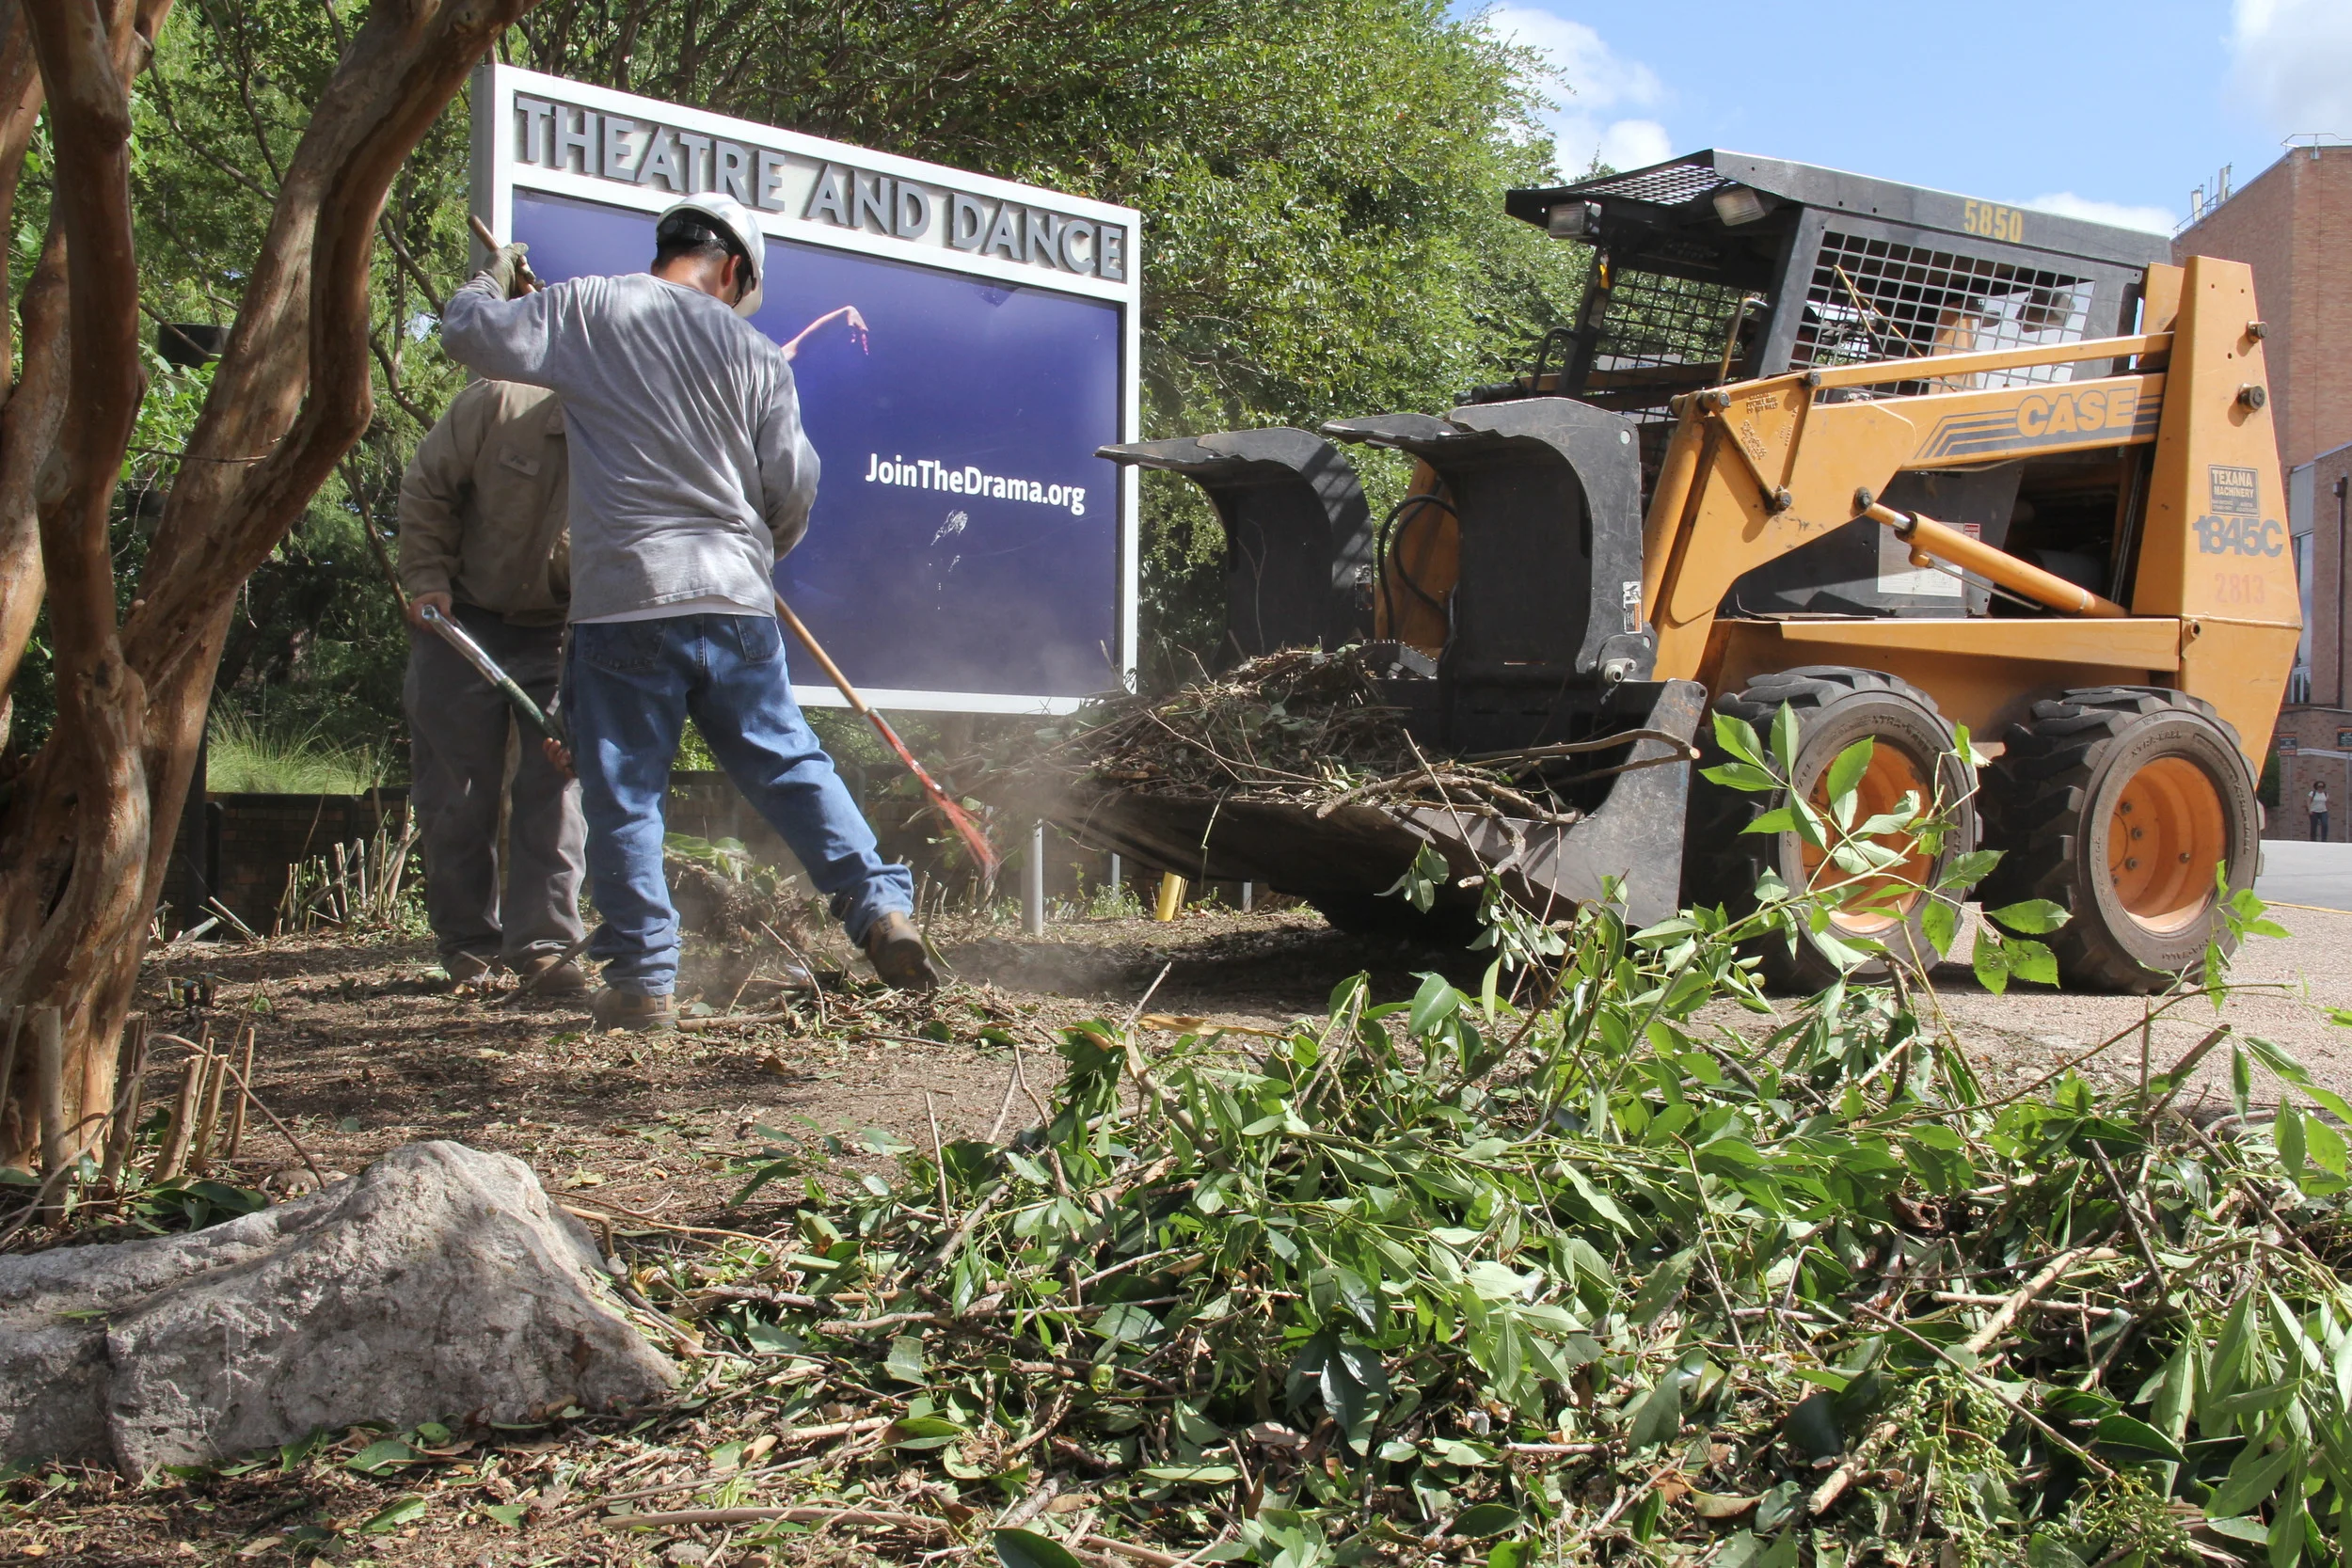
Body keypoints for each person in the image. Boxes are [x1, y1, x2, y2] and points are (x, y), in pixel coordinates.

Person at [439, 195, 935, 1033]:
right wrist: (753, 552)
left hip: (626, 599)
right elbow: (794, 484)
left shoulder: (591, 306)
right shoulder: (753, 352)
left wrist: (487, 286)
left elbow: (469, 338)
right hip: (735, 597)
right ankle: (880, 909)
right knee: (790, 763)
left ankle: (641, 980)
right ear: (734, 269)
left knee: (626, 791)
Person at [398, 378, 588, 993]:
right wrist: (426, 576)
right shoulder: (500, 403)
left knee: (556, 783)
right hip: (461, 615)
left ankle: (545, 946)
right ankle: (468, 948)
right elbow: (427, 486)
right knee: (455, 791)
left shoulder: (639, 440)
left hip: (561, 629)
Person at [2312, 780, 2330, 844]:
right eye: (2319, 786)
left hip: (2323, 811)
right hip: (2314, 811)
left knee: (2325, 824)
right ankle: (2313, 840)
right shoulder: (2313, 793)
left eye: (2322, 786)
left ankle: (2324, 839)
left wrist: (2327, 810)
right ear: (2316, 787)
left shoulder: (2325, 794)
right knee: (2313, 826)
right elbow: (2308, 801)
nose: (2320, 787)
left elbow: (2327, 802)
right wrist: (2309, 809)